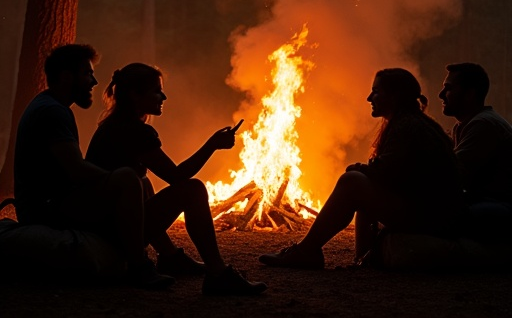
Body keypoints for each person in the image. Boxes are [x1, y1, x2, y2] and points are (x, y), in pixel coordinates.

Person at [85, 62, 267, 296]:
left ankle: (170, 257)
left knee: (144, 183)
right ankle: (218, 273)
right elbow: (177, 176)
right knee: (193, 190)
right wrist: (211, 146)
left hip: (104, 225)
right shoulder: (133, 131)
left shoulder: (114, 125)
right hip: (111, 235)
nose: (164, 96)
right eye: (156, 91)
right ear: (135, 95)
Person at [259, 68, 465, 269]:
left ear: (394, 96)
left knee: (352, 182)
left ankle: (307, 252)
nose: (369, 98)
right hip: (435, 212)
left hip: (433, 216)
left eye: (376, 92)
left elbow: (388, 175)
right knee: (360, 184)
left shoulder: (408, 126)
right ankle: (364, 258)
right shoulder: (413, 122)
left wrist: (360, 169)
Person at [13, 44, 173, 288]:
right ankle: (139, 267)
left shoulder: (52, 107)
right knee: (130, 180)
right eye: (87, 74)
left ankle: (169, 255)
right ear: (67, 76)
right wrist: (120, 184)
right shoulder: (53, 112)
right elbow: (76, 169)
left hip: (52, 202)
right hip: (46, 210)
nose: (94, 82)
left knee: (139, 182)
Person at [439, 62, 512, 241]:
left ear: (470, 94)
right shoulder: (463, 126)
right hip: (487, 201)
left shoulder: (483, 124)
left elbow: (452, 175)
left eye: (448, 89)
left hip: (501, 206)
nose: (441, 95)